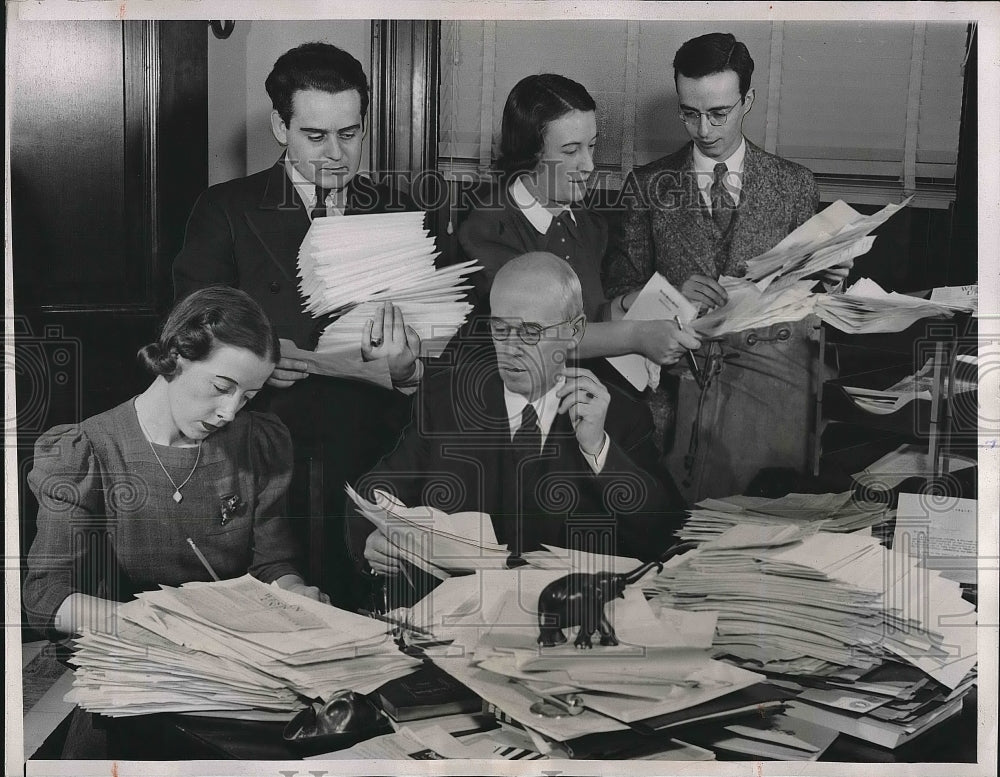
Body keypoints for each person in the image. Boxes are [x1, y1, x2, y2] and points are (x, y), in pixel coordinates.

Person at [22, 287, 324, 757]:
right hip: (135, 680)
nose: (230, 412)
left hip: (242, 679)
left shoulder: (257, 442)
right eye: (222, 387)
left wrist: (295, 593)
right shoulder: (87, 451)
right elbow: (46, 596)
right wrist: (160, 625)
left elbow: (273, 562)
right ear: (177, 356)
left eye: (248, 396)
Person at [172, 42, 421, 607]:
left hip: (377, 448)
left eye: (350, 134)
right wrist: (256, 357)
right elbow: (188, 328)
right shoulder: (225, 208)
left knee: (374, 611)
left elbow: (441, 337)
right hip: (263, 450)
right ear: (280, 127)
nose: (336, 154)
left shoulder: (401, 213)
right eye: (315, 136)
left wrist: (409, 369)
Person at [349, 253, 685, 594]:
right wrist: (372, 539)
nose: (511, 349)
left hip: (569, 615)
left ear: (574, 331)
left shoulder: (618, 416)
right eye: (500, 329)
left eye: (530, 332)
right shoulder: (447, 399)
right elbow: (375, 491)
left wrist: (599, 450)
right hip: (460, 615)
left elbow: (665, 534)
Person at [604, 32, 846, 503]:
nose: (704, 129)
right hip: (672, 395)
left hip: (768, 395)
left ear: (747, 101)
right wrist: (671, 295)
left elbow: (812, 307)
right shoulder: (647, 185)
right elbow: (618, 292)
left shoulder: (794, 184)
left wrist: (830, 280)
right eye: (689, 113)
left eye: (719, 113)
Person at [458, 73, 700, 368]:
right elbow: (540, 337)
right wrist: (636, 336)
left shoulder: (588, 223)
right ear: (529, 154)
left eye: (592, 145)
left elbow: (589, 319)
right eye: (571, 150)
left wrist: (630, 304)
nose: (589, 165)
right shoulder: (488, 229)